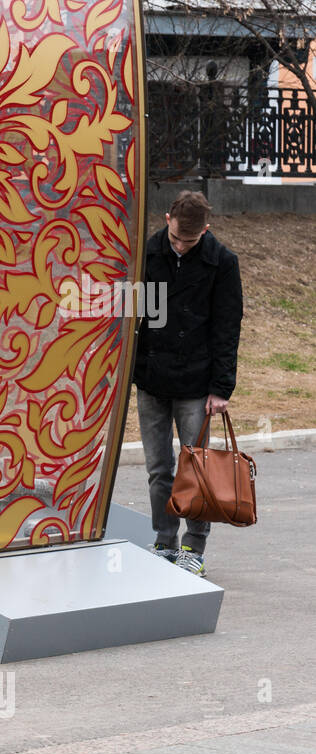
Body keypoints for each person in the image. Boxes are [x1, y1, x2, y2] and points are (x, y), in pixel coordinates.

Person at [133, 190, 242, 577]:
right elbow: (138, 313)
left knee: (196, 468)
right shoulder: (149, 251)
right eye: (176, 237)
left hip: (197, 383)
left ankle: (194, 546)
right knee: (158, 468)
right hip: (152, 378)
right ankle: (164, 541)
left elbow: (227, 329)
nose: (180, 246)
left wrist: (221, 388)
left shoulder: (223, 263)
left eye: (189, 241)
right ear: (167, 220)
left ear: (206, 231)